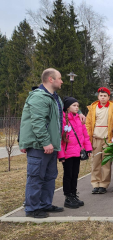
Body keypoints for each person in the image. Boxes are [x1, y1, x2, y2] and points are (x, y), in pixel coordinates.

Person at [19, 68, 65, 218]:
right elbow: (37, 123)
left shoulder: (54, 97)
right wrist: (46, 142)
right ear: (51, 79)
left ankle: (45, 204)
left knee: (50, 176)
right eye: (59, 78)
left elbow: (57, 118)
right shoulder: (39, 97)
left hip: (51, 145)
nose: (62, 81)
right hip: (40, 146)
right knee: (36, 177)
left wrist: (78, 114)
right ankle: (32, 208)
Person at [58, 97, 92, 209]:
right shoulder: (62, 120)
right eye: (74, 105)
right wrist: (61, 155)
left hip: (77, 152)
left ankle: (73, 194)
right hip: (67, 153)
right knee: (68, 175)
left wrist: (88, 149)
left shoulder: (79, 119)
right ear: (67, 107)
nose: (77, 107)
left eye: (77, 106)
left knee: (75, 174)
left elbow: (85, 136)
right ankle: (68, 197)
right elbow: (60, 140)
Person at [86, 87, 113, 194]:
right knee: (96, 162)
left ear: (109, 97)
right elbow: (88, 124)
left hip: (107, 139)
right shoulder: (93, 108)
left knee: (106, 163)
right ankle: (95, 183)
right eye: (101, 95)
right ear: (98, 97)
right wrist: (88, 138)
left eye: (105, 96)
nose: (103, 98)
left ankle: (104, 184)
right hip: (96, 138)